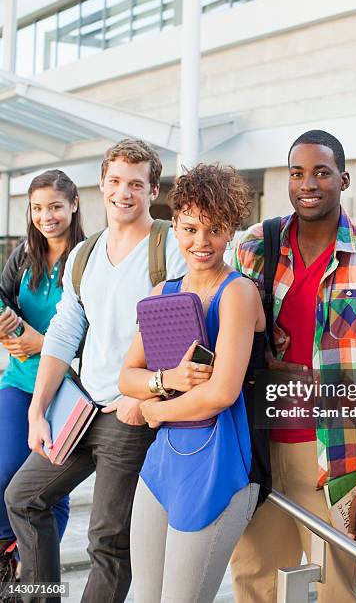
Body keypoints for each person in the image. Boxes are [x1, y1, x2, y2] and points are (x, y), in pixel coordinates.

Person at [5, 139, 186, 603]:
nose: (123, 193)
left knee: (108, 542)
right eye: (115, 182)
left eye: (135, 184)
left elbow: (182, 337)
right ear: (102, 184)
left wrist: (144, 400)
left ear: (152, 189)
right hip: (82, 407)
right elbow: (65, 332)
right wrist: (38, 409)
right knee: (23, 498)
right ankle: (39, 597)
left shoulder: (169, 246)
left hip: (130, 414)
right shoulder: (84, 254)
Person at [232, 130, 356, 603]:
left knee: (338, 590)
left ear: (343, 180)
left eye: (321, 172)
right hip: (258, 448)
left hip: (334, 456)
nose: (308, 183)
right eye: (297, 173)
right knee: (255, 579)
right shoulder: (255, 248)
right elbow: (227, 331)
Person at [118, 162, 266, 603]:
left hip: (220, 462)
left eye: (215, 229)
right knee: (142, 596)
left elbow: (222, 393)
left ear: (231, 230)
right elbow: (128, 376)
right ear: (175, 224)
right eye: (190, 229)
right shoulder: (164, 293)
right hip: (164, 461)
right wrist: (167, 380)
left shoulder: (238, 292)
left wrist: (154, 408)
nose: (201, 242)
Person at [0, 170, 84, 581]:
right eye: (37, 208)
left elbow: (96, 328)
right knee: (5, 469)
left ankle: (35, 575)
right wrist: (6, 327)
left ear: (73, 205)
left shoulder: (88, 256)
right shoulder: (24, 253)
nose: (45, 216)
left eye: (54, 206)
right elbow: (3, 297)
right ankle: (7, 551)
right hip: (17, 380)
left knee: (50, 488)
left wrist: (42, 340)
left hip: (67, 389)